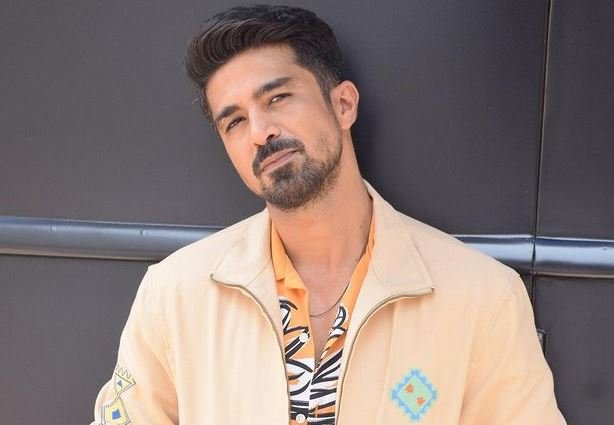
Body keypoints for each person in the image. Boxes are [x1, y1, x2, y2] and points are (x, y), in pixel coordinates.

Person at [91, 4, 566, 424]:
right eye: (234, 121)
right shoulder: (174, 294)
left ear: (343, 104)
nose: (259, 131)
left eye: (277, 98)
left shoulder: (482, 299)